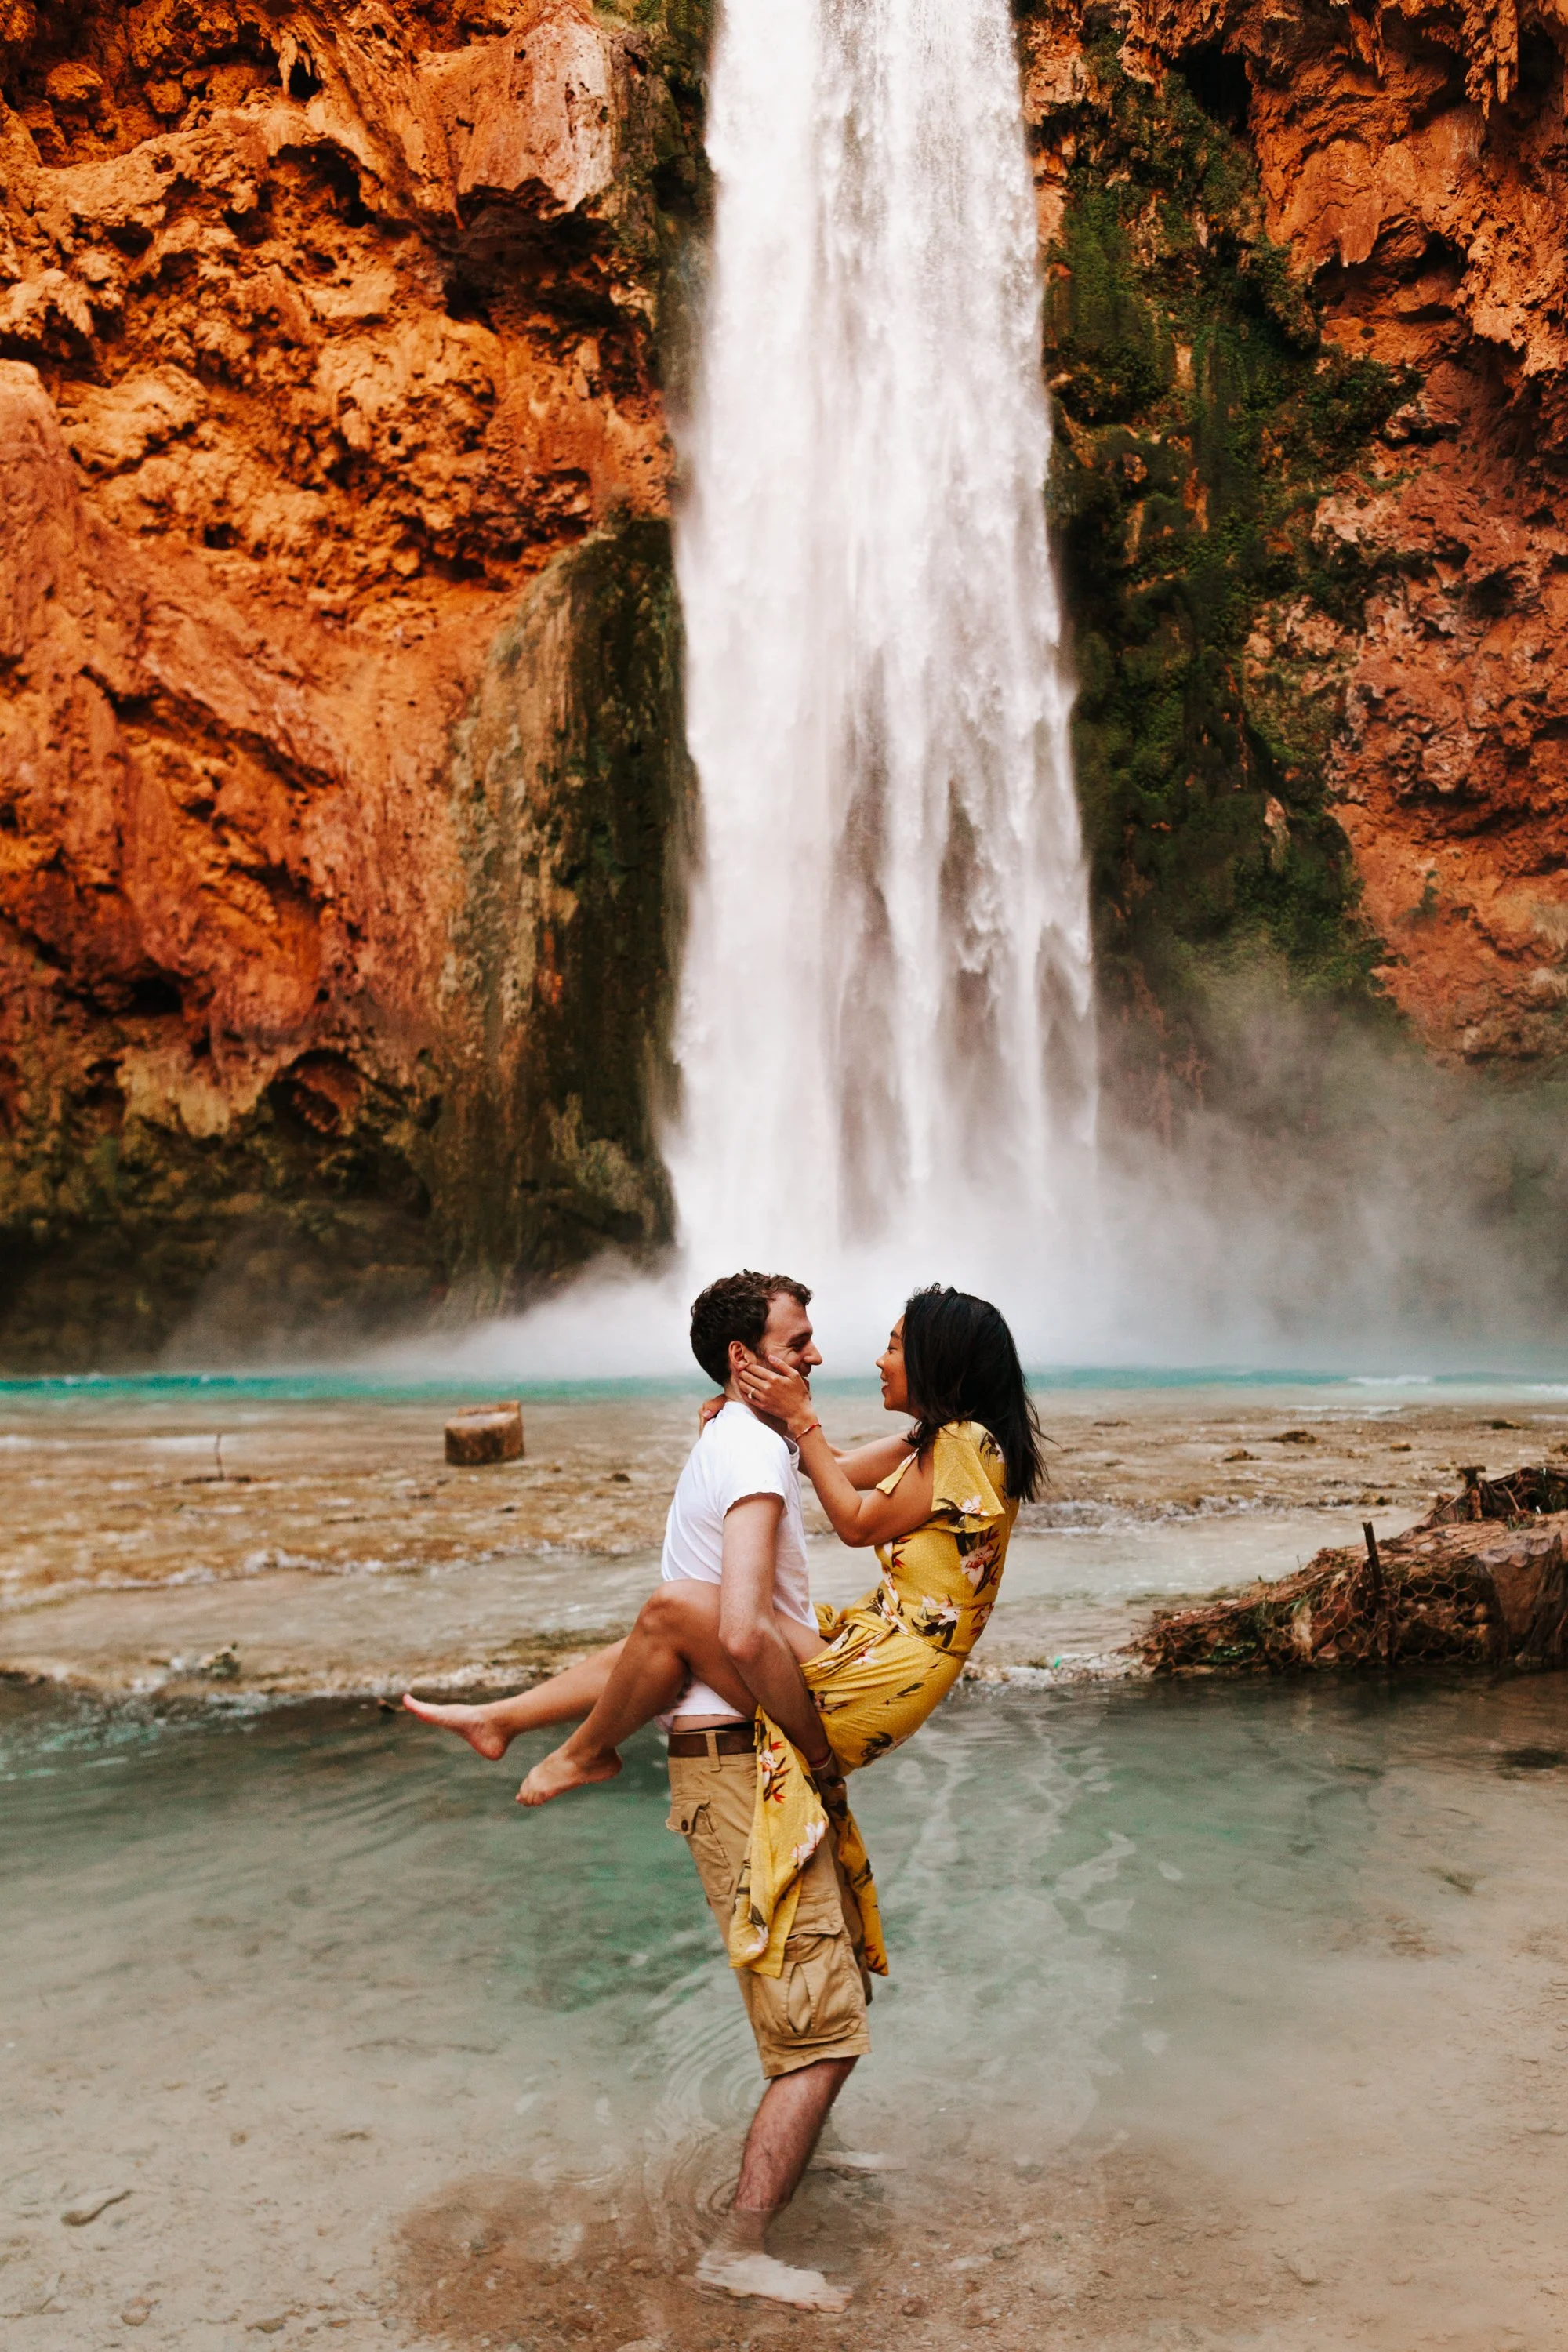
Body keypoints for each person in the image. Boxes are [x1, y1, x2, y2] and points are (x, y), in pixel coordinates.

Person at [404, 1272, 1043, 2307]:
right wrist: (781, 1430)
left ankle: (558, 1743)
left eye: (883, 1343)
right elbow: (832, 1487)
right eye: (805, 1343)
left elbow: (846, 1515)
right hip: (870, 1657)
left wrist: (783, 1423)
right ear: (750, 1356)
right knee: (679, 1619)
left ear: (934, 1367)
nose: (839, 1360)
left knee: (677, 1619)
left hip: (880, 1660)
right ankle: (525, 1728)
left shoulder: (954, 1447)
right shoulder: (943, 1444)